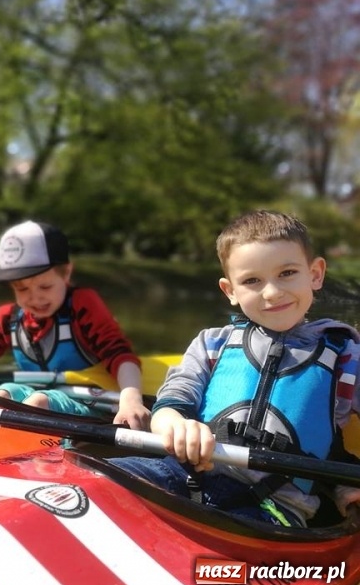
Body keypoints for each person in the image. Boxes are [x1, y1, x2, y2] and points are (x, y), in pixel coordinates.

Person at [110, 210, 360, 527]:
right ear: (230, 291)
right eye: (252, 280)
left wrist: (347, 482)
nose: (272, 292)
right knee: (93, 480)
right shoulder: (210, 344)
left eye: (287, 273)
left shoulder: (347, 356)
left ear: (315, 274)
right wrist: (175, 425)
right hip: (182, 474)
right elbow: (171, 403)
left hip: (274, 507)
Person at [0, 220, 150, 430]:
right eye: (21, 289)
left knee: (37, 402)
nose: (34, 298)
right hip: (36, 396)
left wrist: (131, 399)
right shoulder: (9, 318)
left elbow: (120, 355)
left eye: (45, 286)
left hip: (90, 402)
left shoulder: (83, 305)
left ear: (66, 273)